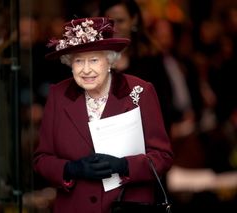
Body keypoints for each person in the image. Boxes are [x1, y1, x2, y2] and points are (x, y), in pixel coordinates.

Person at [33, 17, 173, 213]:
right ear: (69, 64)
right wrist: (71, 169)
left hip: (127, 207)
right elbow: (42, 159)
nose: (86, 69)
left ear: (109, 60)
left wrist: (125, 165)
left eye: (94, 60)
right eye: (78, 61)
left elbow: (162, 157)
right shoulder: (58, 95)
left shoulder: (140, 91)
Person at [98, 0, 174, 133]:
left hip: (144, 138)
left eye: (120, 21)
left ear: (134, 20)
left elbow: (164, 105)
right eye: (109, 22)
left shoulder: (151, 58)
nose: (114, 28)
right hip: (102, 138)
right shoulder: (93, 59)